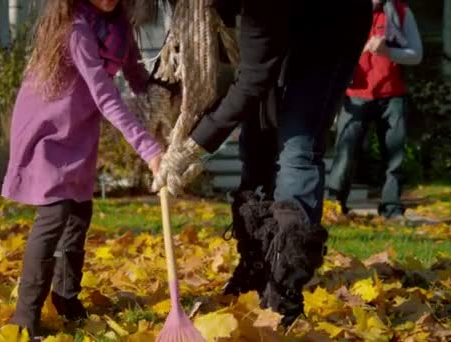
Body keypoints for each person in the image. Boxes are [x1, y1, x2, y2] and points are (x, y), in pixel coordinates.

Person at [152, 0, 372, 326]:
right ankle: (255, 265)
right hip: (280, 29)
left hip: (332, 30)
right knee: (256, 141)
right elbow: (195, 44)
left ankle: (284, 291)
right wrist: (159, 96)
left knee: (297, 147)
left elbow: (253, 79)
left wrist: (192, 147)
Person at [1, 0, 163, 336]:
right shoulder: (75, 28)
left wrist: (165, 98)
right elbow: (105, 95)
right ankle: (25, 318)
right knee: (54, 216)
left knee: (79, 213)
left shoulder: (120, 27)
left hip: (77, 130)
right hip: (46, 128)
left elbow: (135, 76)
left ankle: (67, 299)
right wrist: (147, 148)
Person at [328, 0, 423, 219]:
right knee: (345, 154)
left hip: (392, 95)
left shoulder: (401, 12)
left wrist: (388, 51)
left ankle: (391, 208)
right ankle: (334, 206)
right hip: (355, 95)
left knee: (394, 157)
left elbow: (416, 54)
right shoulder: (345, 12)